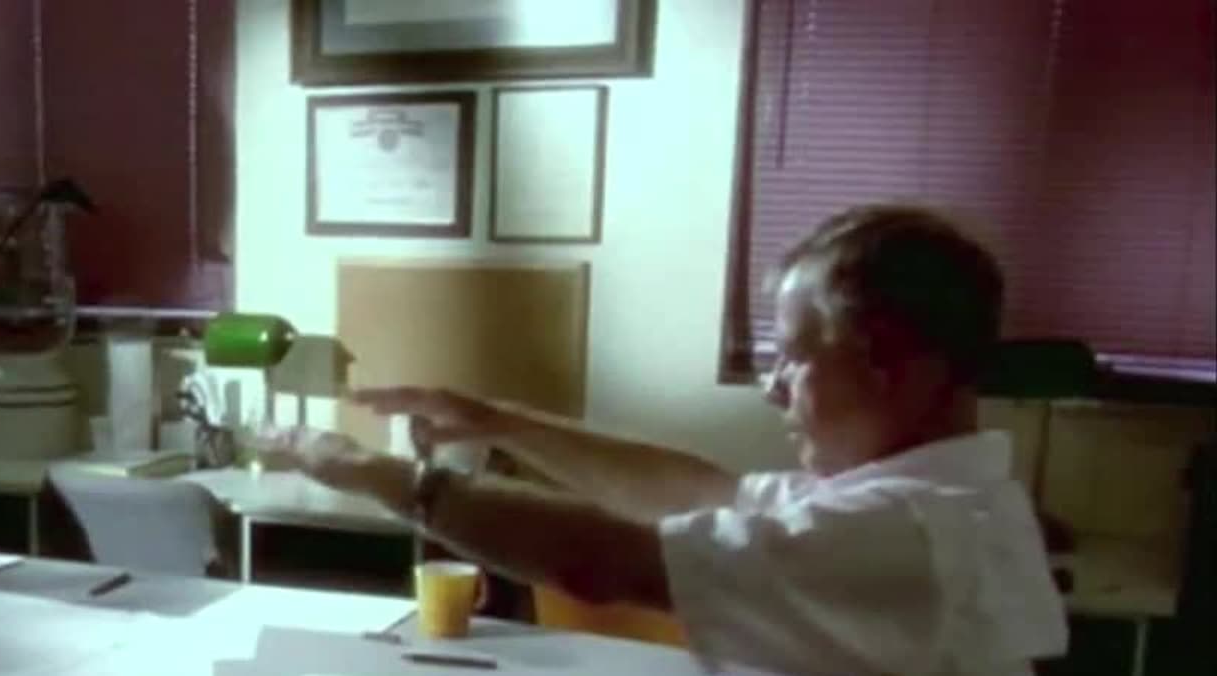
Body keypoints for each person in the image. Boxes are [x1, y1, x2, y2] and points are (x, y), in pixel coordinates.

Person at [257, 204, 1067, 675]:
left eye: (795, 356)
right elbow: (703, 492)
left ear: (898, 368)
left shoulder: (908, 533)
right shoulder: (939, 497)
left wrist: (369, 473)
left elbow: (609, 562)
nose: (773, 386)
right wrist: (503, 421)